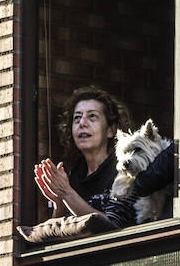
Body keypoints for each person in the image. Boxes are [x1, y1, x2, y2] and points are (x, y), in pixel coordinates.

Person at [33, 85, 139, 232]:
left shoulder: (125, 171)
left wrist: (67, 194)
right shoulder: (71, 177)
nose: (82, 123)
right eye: (77, 118)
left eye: (92, 116)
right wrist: (60, 204)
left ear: (111, 129)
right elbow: (58, 238)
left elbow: (112, 227)